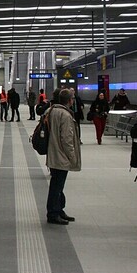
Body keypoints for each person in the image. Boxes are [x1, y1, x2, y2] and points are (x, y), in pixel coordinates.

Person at [45, 88, 81, 225]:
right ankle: (53, 213)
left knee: (57, 185)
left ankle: (59, 210)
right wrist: (72, 157)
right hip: (61, 155)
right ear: (70, 100)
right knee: (57, 186)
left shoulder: (53, 110)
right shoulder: (65, 115)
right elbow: (66, 139)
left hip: (54, 152)